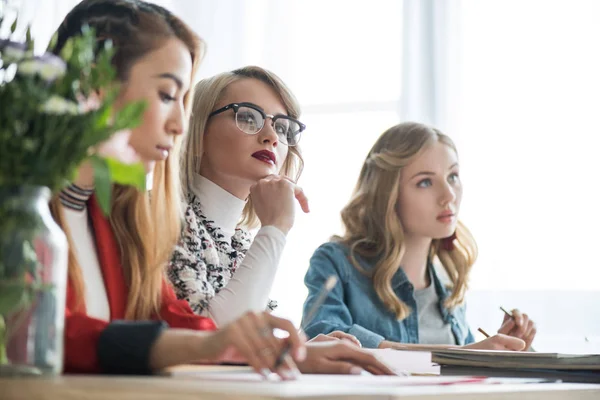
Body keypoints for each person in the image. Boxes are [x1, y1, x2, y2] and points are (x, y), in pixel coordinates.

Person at [51, 0, 390, 378]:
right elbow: (48, 334)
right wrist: (275, 228)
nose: (179, 123)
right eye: (167, 95)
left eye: (282, 127)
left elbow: (182, 326)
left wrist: (290, 353)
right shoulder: (26, 205)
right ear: (95, 86)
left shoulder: (120, 216)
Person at [302, 122, 537, 351]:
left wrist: (503, 351)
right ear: (388, 194)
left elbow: (460, 373)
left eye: (452, 176)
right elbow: (325, 337)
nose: (448, 195)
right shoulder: (337, 262)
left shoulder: (448, 279)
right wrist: (467, 355)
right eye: (425, 182)